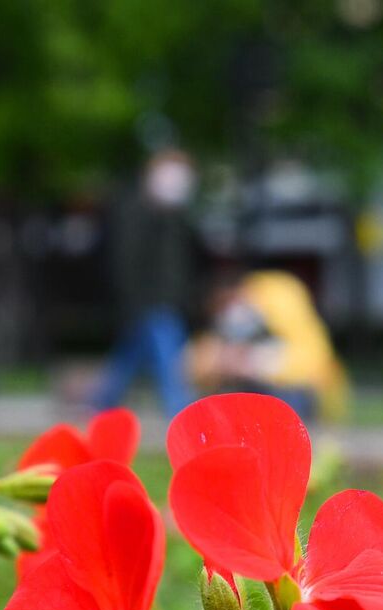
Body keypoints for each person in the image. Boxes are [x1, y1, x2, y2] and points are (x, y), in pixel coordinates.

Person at [92, 148, 202, 415]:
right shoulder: (135, 211)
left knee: (131, 354)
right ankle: (183, 413)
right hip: (148, 301)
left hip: (166, 301)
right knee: (170, 358)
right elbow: (125, 261)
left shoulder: (175, 217)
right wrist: (132, 300)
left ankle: (101, 402)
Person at [188, 267, 349, 422]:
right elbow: (197, 366)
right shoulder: (249, 314)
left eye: (224, 306)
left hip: (303, 392)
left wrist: (253, 362)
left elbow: (311, 360)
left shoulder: (275, 298)